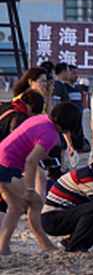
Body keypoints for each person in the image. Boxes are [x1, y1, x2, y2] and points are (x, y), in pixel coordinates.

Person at [0, 91, 76, 254]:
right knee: (34, 202)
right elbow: (31, 161)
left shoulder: (41, 119)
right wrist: (28, 189)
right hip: (6, 166)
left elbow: (27, 145)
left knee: (15, 207)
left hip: (3, 160)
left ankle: (3, 247)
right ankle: (44, 243)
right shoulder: (50, 134)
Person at [42, 127, 93, 253]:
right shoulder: (88, 176)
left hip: (65, 214)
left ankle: (74, 242)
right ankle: (74, 246)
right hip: (52, 218)